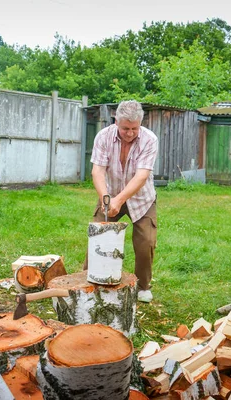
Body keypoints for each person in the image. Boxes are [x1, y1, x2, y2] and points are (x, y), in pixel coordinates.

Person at [84, 100, 158, 303]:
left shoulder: (150, 139)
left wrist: (120, 199)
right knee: (98, 235)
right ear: (116, 121)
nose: (130, 132)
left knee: (146, 242)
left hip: (142, 198)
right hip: (109, 194)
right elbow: (97, 171)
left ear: (140, 123)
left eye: (135, 128)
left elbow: (142, 176)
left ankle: (143, 287)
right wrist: (106, 199)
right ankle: (90, 279)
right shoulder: (103, 136)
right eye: (125, 128)